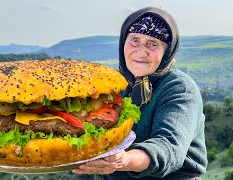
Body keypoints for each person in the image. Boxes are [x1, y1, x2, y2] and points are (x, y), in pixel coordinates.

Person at [73, 7, 208, 179]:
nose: (141, 51)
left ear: (167, 51)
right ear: (123, 43)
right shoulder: (115, 85)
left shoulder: (180, 88)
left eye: (153, 44)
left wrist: (125, 160)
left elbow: (169, 147)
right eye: (135, 40)